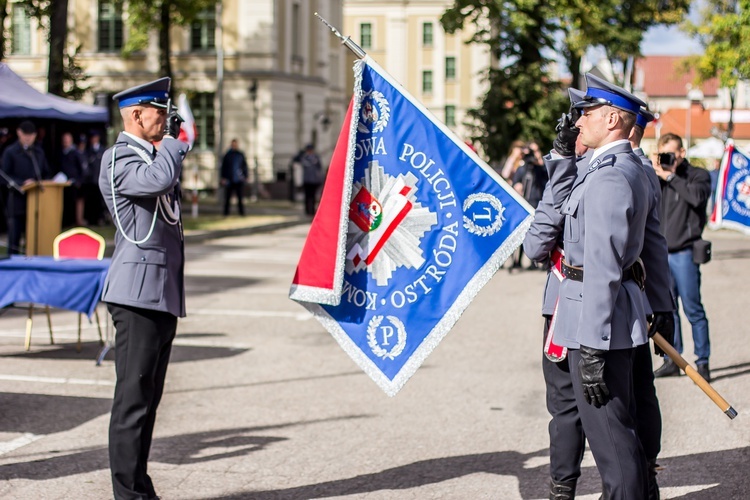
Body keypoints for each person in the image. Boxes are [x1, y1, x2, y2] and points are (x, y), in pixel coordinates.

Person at [545, 73, 673, 499]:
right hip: (612, 317)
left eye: (587, 114)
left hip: (594, 322)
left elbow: (601, 267)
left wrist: (593, 345)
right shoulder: (623, 169)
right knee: (624, 436)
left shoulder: (609, 177)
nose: (578, 122)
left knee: (613, 447)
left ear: (614, 119)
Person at [98, 77, 188, 500]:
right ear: (137, 114)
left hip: (160, 292)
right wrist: (172, 144)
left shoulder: (152, 157)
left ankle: (139, 487)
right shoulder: (119, 159)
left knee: (148, 402)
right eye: (160, 111)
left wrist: (168, 147)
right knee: (132, 402)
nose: (166, 120)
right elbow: (155, 182)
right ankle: (126, 494)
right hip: (135, 294)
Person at [652, 132, 712, 381]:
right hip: (661, 254)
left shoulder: (697, 175)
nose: (667, 158)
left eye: (671, 153)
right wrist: (656, 173)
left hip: (685, 252)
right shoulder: (657, 178)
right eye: (663, 153)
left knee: (693, 309)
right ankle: (672, 360)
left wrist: (671, 176)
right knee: (668, 310)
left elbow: (697, 198)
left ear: (682, 153)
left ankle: (703, 361)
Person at [0, 120, 51, 255]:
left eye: (31, 134)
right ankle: (13, 263)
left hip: (37, 203)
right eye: (25, 134)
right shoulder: (10, 152)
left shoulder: (38, 152)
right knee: (15, 236)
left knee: (34, 237)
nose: (28, 137)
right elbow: (4, 176)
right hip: (16, 201)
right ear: (18, 133)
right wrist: (22, 183)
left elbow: (46, 172)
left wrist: (40, 182)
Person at [59, 131, 87, 227]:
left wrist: (79, 180)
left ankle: (77, 221)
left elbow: (81, 168)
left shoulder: (76, 153)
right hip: (63, 183)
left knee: (76, 202)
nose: (66, 141)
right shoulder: (61, 153)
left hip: (75, 183)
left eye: (67, 139)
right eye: (64, 140)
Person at [220, 138, 248, 216]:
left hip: (238, 179)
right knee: (227, 198)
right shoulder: (228, 155)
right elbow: (224, 167)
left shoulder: (240, 155)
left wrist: (245, 176)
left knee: (240, 198)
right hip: (229, 179)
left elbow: (244, 166)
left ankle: (241, 213)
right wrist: (223, 177)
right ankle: (226, 213)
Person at [84, 130, 106, 225]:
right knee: (91, 200)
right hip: (91, 180)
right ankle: (92, 219)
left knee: (100, 201)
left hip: (100, 178)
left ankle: (100, 219)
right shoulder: (88, 151)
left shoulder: (103, 150)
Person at [297, 143, 323, 216]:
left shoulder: (316, 158)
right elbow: (297, 160)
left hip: (314, 180)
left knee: (313, 196)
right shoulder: (304, 158)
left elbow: (319, 167)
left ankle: (312, 210)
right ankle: (307, 211)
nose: (309, 151)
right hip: (307, 180)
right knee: (307, 196)